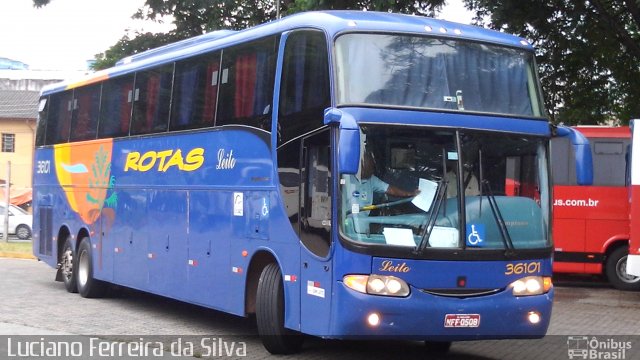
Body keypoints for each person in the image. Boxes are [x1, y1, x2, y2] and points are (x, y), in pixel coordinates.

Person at [345, 151, 419, 216]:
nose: (372, 171)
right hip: (346, 224)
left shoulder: (372, 179)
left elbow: (390, 189)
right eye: (370, 167)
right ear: (361, 166)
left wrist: (409, 194)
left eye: (373, 168)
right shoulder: (346, 177)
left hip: (363, 224)